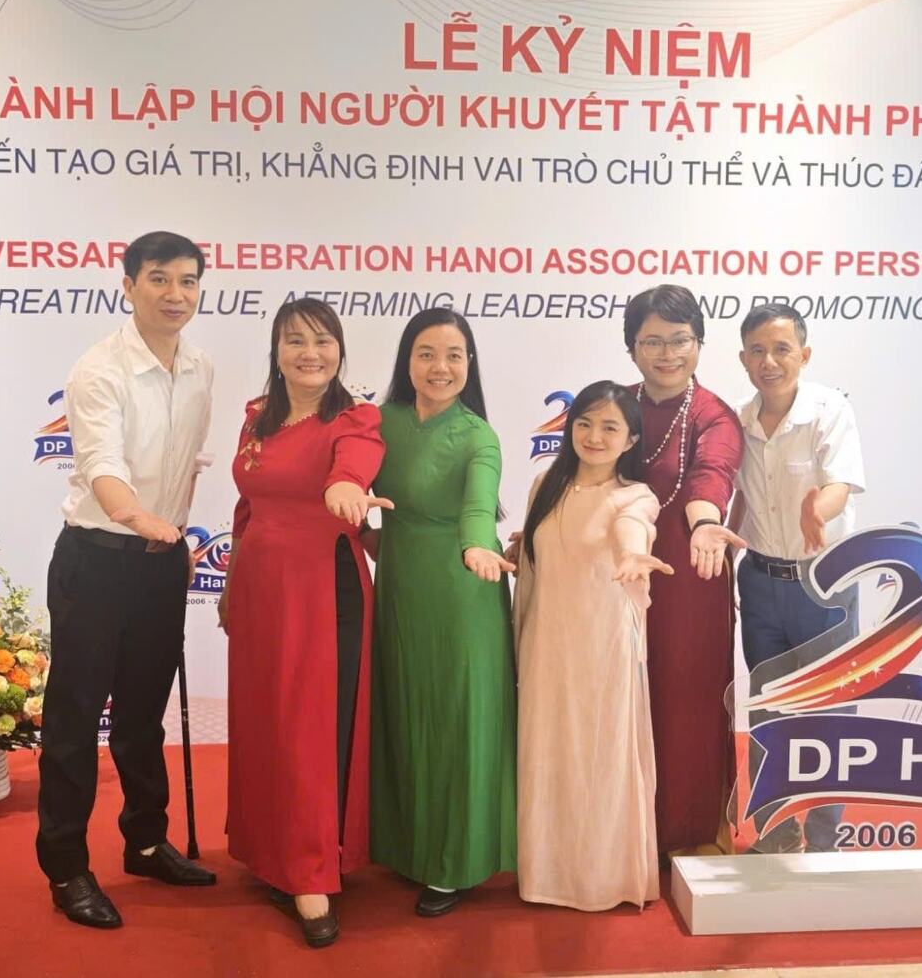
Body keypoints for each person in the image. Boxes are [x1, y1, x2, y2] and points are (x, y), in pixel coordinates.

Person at [37, 230, 217, 930]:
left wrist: (174, 534)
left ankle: (144, 841)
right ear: (128, 285)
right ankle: (66, 867)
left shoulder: (199, 367)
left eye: (188, 281)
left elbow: (185, 463)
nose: (175, 294)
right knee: (76, 720)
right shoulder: (99, 370)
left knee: (143, 716)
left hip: (160, 560)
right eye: (159, 279)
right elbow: (101, 466)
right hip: (98, 558)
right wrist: (141, 518)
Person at [218, 298, 389, 948]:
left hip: (323, 589)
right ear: (277, 350)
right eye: (295, 341)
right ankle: (270, 851)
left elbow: (353, 465)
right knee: (265, 722)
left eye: (323, 341)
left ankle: (312, 869)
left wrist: (346, 488)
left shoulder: (353, 418)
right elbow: (247, 508)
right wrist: (230, 585)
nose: (310, 353)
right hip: (260, 591)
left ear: (340, 350)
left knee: (310, 730)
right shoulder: (256, 417)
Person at [367, 309, 517, 918]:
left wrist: (476, 545)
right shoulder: (380, 422)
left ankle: (454, 864)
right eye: (426, 353)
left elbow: (479, 506)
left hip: (464, 589)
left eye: (454, 355)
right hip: (401, 584)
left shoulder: (479, 436)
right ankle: (406, 846)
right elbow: (349, 479)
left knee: (457, 721)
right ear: (407, 360)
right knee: (405, 709)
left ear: (469, 364)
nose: (440, 367)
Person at [514, 381, 672, 911]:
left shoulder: (635, 496)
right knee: (548, 753)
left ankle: (603, 878)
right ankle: (547, 874)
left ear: (631, 439)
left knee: (602, 755)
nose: (594, 436)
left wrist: (631, 556)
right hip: (546, 642)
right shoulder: (545, 486)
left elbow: (632, 529)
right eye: (584, 423)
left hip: (603, 645)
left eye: (609, 427)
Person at [731, 302, 866, 853]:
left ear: (803, 355)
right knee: (768, 711)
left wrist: (818, 511)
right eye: (757, 351)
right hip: (760, 582)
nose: (769, 361)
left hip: (823, 585)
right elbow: (740, 497)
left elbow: (840, 484)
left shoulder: (829, 410)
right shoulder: (739, 420)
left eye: (781, 349)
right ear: (743, 359)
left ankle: (826, 837)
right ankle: (778, 832)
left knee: (829, 710)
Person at [622, 285, 745, 855]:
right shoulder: (614, 407)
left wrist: (704, 524)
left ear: (699, 343)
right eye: (652, 341)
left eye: (680, 340)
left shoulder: (713, 415)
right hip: (617, 576)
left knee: (684, 704)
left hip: (690, 574)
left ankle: (684, 835)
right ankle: (618, 834)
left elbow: (711, 475)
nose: (667, 354)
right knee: (619, 698)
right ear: (632, 346)